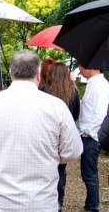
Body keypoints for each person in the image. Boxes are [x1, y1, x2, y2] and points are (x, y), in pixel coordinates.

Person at [0, 49, 83, 212]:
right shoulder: (56, 107)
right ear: (39, 74)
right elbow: (73, 151)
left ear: (10, 73)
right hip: (42, 202)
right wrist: (51, 157)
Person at [43, 62, 80, 211]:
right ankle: (59, 201)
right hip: (64, 138)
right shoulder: (73, 92)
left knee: (47, 168)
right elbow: (76, 115)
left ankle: (47, 199)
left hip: (47, 136)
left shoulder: (44, 90)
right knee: (61, 170)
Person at [78, 64, 109, 212]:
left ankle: (93, 206)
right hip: (88, 134)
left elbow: (100, 114)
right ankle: (90, 203)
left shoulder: (100, 85)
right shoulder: (94, 84)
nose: (79, 69)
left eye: (81, 66)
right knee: (88, 172)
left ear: (90, 67)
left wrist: (87, 132)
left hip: (92, 136)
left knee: (89, 173)